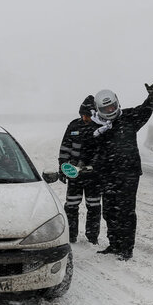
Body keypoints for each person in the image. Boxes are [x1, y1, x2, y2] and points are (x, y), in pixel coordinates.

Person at [93, 82, 153, 260]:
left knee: (126, 211)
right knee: (109, 211)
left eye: (112, 106)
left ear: (118, 103)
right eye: (106, 108)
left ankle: (126, 248)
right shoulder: (97, 128)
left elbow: (145, 111)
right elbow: (90, 150)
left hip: (129, 174)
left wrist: (152, 97)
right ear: (99, 109)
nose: (110, 110)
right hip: (107, 175)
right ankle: (114, 244)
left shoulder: (129, 117)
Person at [58, 95, 102, 244]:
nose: (85, 118)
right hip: (74, 175)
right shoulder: (73, 126)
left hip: (93, 177)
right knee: (71, 205)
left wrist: (95, 168)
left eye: (88, 115)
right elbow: (65, 148)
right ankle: (71, 235)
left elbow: (103, 152)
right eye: (83, 115)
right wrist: (62, 167)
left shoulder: (100, 128)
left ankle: (92, 237)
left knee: (94, 206)